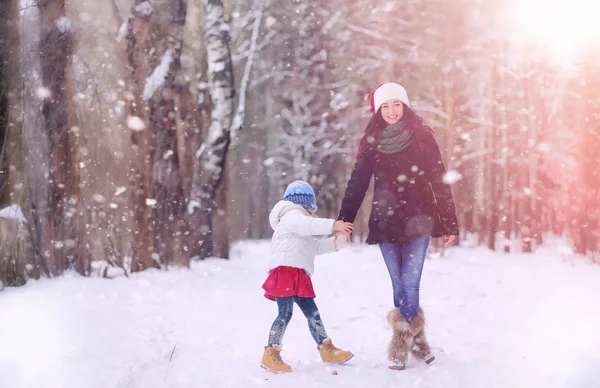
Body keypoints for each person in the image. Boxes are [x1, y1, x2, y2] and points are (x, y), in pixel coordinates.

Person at [338, 82, 459, 370]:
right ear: (378, 110)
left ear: (404, 106)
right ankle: (418, 341)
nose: (391, 111)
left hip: (420, 219)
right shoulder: (372, 143)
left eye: (396, 104)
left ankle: (398, 346)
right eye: (385, 106)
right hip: (385, 220)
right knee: (397, 284)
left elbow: (439, 179)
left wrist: (449, 220)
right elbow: (357, 184)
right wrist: (345, 218)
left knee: (411, 282)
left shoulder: (422, 138)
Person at [260, 180, 355, 373]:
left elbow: (314, 248)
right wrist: (333, 225)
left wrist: (336, 243)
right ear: (305, 203)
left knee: (313, 313)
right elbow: (307, 225)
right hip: (286, 271)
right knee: (285, 313)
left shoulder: (300, 222)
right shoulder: (291, 214)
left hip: (298, 273)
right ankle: (270, 353)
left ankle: (326, 348)